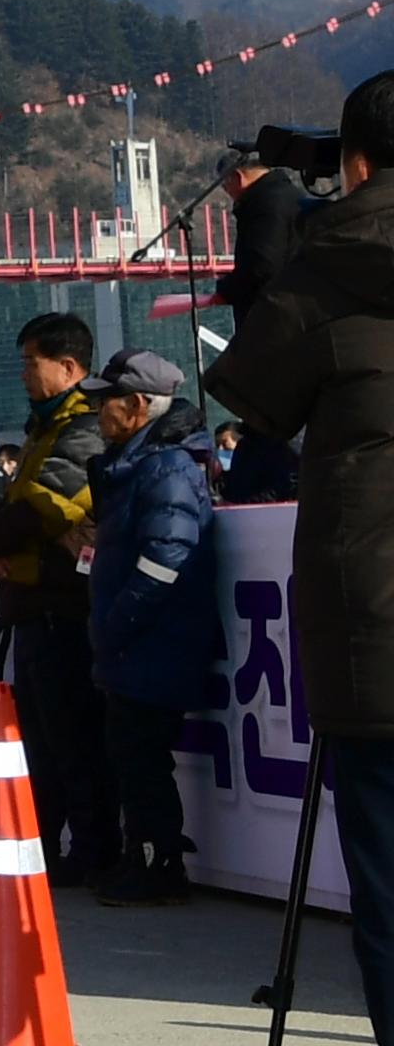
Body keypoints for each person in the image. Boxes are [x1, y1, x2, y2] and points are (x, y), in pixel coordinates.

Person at [207, 70, 394, 1032]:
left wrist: (280, 216)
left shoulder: (326, 266)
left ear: (355, 162)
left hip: (373, 634)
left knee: (390, 885)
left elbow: (254, 395)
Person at [0, 310, 110, 883]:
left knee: (72, 736)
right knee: (44, 740)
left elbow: (34, 511)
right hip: (34, 605)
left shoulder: (83, 429)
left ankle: (93, 848)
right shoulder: (44, 427)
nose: (24, 373)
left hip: (61, 606)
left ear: (70, 366)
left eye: (33, 363)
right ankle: (51, 844)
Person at [78, 349, 220, 905]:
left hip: (151, 641)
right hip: (140, 640)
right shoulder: (146, 464)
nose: (97, 412)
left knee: (141, 755)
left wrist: (115, 621)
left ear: (138, 406)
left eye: (104, 401)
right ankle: (147, 858)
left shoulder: (165, 468)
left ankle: (157, 865)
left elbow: (167, 555)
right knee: (132, 753)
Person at [214, 152, 312, 506]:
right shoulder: (290, 197)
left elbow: (262, 267)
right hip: (295, 332)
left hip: (273, 337)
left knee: (272, 425)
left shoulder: (263, 206)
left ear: (237, 179)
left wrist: (227, 287)